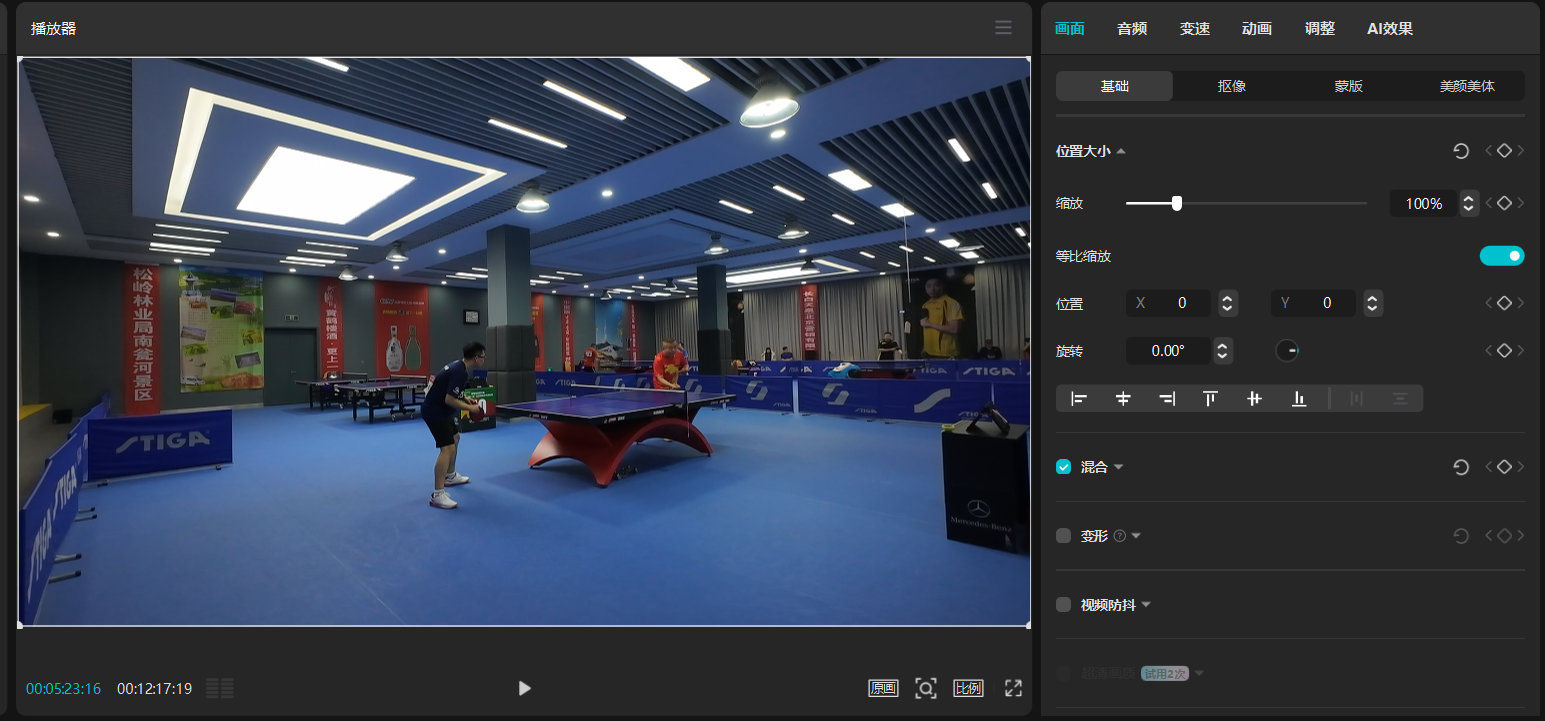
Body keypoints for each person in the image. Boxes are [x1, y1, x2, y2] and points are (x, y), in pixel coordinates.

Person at [422, 342, 488, 510]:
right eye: (483, 356)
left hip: (441, 410)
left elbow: (452, 390)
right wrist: (470, 408)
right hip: (435, 412)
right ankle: (437, 495)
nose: (484, 359)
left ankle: (450, 475)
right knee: (447, 448)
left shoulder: (459, 367)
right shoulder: (460, 372)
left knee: (455, 438)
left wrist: (465, 398)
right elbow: (449, 399)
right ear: (476, 358)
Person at [920, 277, 964, 358]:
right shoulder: (925, 305)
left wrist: (930, 324)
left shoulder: (952, 303)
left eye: (936, 285)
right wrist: (924, 348)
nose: (932, 289)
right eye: (928, 286)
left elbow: (954, 329)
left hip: (947, 353)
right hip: (928, 353)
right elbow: (926, 329)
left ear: (942, 286)